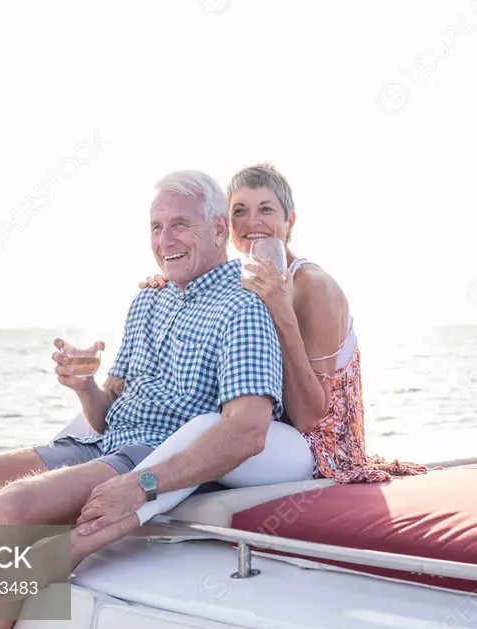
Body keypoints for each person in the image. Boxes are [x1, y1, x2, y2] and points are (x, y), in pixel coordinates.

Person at [0, 169, 313, 629]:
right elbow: (108, 415)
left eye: (180, 224)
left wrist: (145, 484)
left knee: (10, 507)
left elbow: (248, 430)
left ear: (220, 227)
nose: (164, 240)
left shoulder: (245, 304)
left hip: (150, 455)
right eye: (155, 227)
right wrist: (83, 386)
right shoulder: (147, 301)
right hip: (102, 443)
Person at [141, 163, 427, 484]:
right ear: (223, 225)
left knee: (205, 430)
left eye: (266, 209)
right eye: (240, 211)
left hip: (315, 449)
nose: (252, 222)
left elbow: (308, 416)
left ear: (289, 221)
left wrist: (282, 313)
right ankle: (95, 488)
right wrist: (169, 284)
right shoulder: (235, 282)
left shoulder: (312, 286)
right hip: (261, 429)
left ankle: (129, 492)